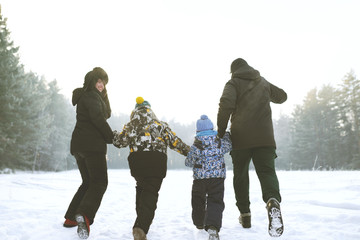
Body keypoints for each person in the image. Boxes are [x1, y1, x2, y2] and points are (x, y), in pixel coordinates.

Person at [217, 58, 287, 237]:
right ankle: (272, 202)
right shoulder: (261, 81)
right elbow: (282, 96)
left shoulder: (233, 83)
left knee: (240, 175)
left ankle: (245, 214)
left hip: (241, 139)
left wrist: (221, 131)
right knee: (267, 172)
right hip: (265, 138)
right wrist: (265, 91)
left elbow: (226, 104)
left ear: (233, 71)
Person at [113, 97, 190, 240]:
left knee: (141, 188)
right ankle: (141, 227)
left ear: (135, 111)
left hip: (137, 163)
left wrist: (114, 133)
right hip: (156, 162)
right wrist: (191, 153)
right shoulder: (160, 125)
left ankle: (140, 220)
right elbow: (175, 142)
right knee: (150, 192)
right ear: (150, 110)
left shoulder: (131, 125)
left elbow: (120, 141)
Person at [63, 67, 114, 239]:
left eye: (103, 83)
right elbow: (98, 118)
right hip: (92, 146)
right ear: (92, 82)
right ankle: (84, 215)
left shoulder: (89, 96)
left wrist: (104, 96)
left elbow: (105, 113)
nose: (101, 85)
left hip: (79, 146)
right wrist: (111, 137)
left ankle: (71, 218)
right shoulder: (91, 96)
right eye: (98, 81)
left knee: (88, 182)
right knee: (100, 182)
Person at [185, 115, 232, 240]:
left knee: (198, 200)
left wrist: (191, 159)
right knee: (215, 201)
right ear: (212, 129)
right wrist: (227, 136)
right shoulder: (219, 142)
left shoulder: (196, 146)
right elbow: (229, 146)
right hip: (217, 178)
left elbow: (189, 162)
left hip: (200, 179)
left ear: (197, 131)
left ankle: (199, 222)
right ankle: (213, 227)